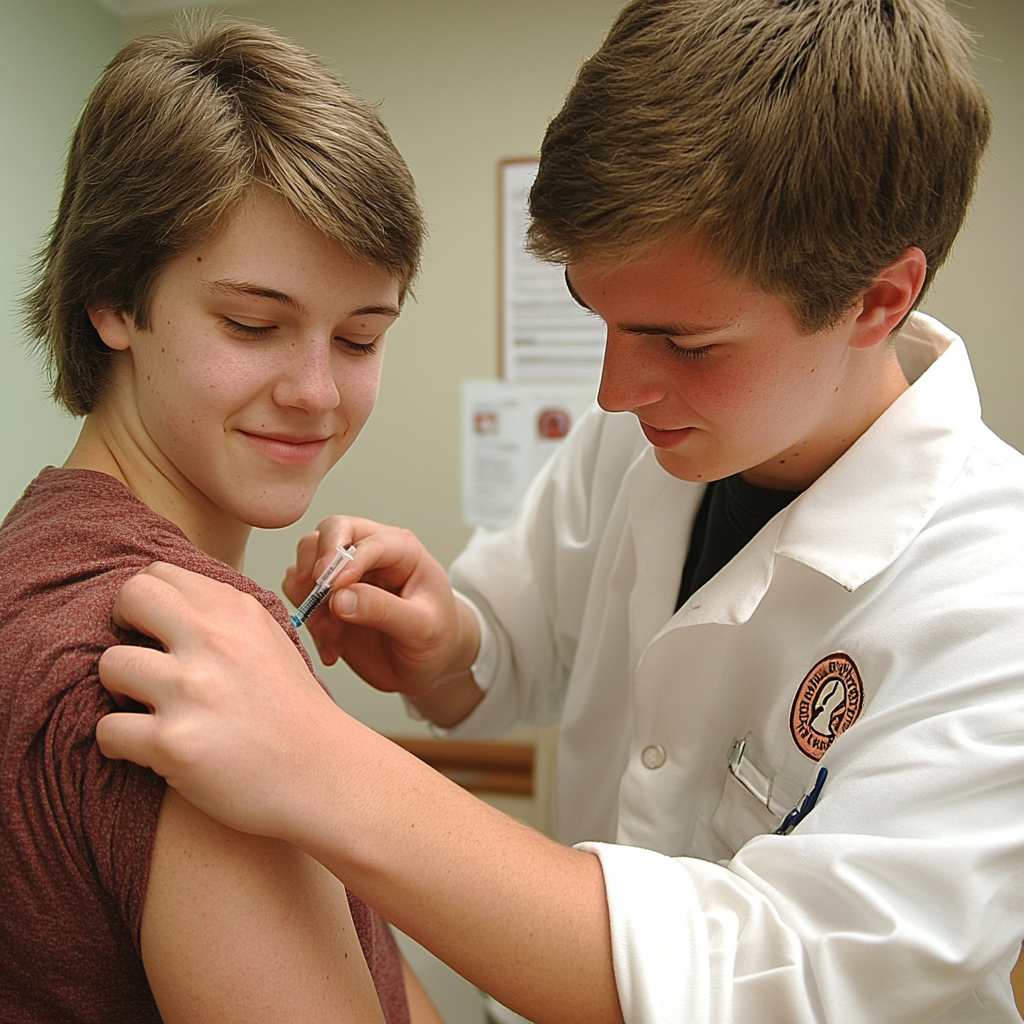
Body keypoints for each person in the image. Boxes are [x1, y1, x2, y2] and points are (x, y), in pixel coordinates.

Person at [95, 1, 1024, 1022]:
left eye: (685, 343)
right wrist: (451, 645)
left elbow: (785, 977)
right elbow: (514, 650)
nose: (614, 393)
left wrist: (322, 764)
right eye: (600, 317)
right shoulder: (651, 434)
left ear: (879, 300)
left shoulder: (994, 593)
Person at [0, 17, 442, 1024]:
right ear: (112, 298)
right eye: (253, 324)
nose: (317, 392)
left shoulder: (29, 556)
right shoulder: (178, 673)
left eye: (360, 339)